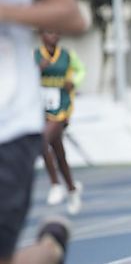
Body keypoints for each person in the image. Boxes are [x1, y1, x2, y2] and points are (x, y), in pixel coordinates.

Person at [0, 0, 85, 264]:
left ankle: (49, 249)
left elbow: (70, 14)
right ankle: (49, 246)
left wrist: (5, 12)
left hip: (7, 123)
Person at [35, 30, 86, 215]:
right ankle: (72, 189)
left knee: (42, 141)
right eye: (49, 32)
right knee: (58, 151)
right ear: (41, 35)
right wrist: (37, 70)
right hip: (41, 108)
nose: (54, 36)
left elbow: (81, 71)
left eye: (56, 32)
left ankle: (56, 184)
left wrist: (75, 82)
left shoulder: (67, 55)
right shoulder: (34, 56)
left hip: (62, 106)